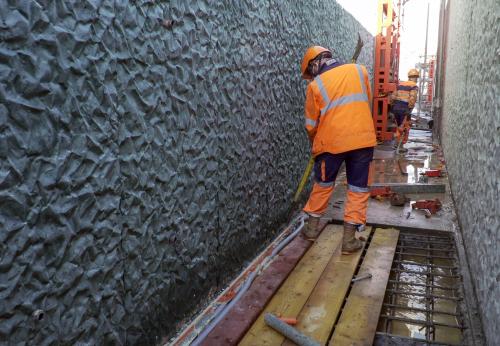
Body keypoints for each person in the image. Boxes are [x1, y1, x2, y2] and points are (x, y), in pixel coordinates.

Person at [300, 46, 377, 254]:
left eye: (310, 72)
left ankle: (312, 229)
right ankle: (349, 240)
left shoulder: (315, 86)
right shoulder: (360, 71)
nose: (310, 77)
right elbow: (366, 102)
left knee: (323, 184)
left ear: (315, 64)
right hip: (362, 140)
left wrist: (314, 143)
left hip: (331, 143)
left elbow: (311, 124)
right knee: (358, 189)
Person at [389, 69, 419, 148]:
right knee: (404, 127)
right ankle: (400, 146)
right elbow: (412, 98)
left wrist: (392, 106)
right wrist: (410, 109)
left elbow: (393, 96)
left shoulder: (400, 84)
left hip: (396, 108)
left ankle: (397, 144)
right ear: (416, 78)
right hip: (404, 108)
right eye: (416, 78)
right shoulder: (414, 86)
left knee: (398, 126)